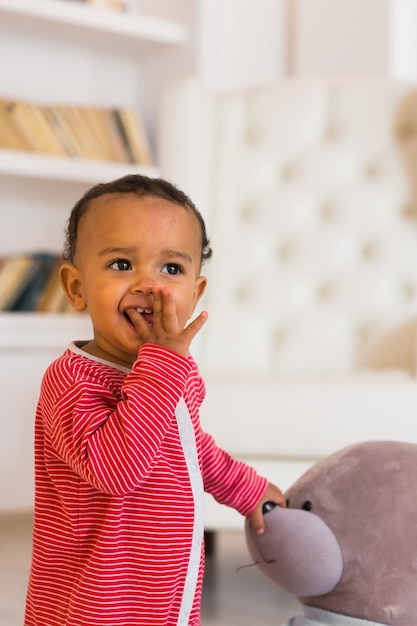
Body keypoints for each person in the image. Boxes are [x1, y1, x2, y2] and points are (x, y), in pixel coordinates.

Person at [24, 174, 285, 626]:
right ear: (76, 287)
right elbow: (117, 470)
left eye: (171, 269)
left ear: (195, 293)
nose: (150, 284)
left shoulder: (170, 374)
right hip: (97, 603)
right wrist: (163, 365)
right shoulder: (71, 382)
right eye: (122, 264)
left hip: (163, 590)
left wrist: (247, 489)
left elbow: (191, 450)